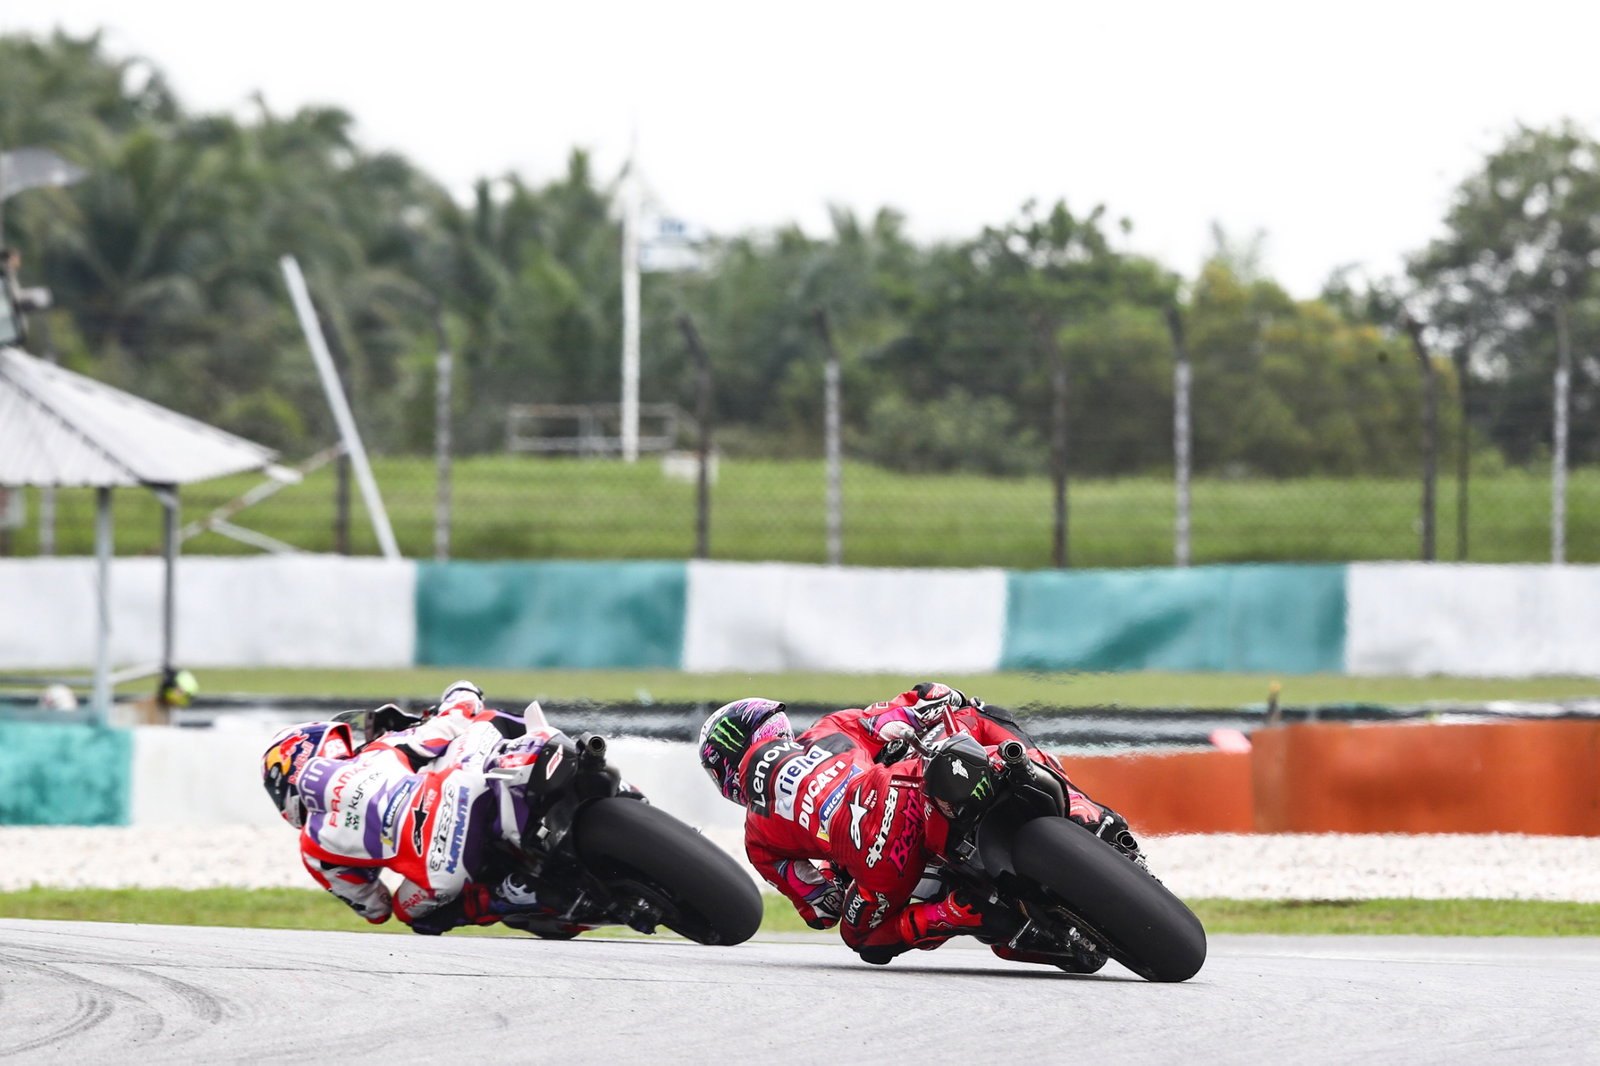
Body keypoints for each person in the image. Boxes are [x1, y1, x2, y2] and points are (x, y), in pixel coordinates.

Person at [699, 683, 1126, 967]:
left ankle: (954, 912)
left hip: (884, 859)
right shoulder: (831, 730)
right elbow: (910, 706)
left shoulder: (758, 836)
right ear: (776, 730)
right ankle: (1079, 805)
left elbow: (821, 909)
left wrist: (840, 865)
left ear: (729, 779)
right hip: (908, 785)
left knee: (863, 940)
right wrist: (945, 700)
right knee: (979, 716)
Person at [261, 679, 578, 935]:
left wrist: (375, 851)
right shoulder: (377, 750)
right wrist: (462, 691)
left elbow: (376, 909)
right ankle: (569, 756)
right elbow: (449, 723)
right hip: (465, 788)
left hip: (444, 866)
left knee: (411, 914)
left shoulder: (312, 849)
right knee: (483, 722)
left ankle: (507, 896)